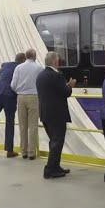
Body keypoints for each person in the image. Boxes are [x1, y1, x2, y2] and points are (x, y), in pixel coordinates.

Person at [36, 51, 76, 179]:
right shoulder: (56, 76)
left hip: (45, 113)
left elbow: (52, 92)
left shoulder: (41, 75)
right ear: (54, 61)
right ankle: (49, 170)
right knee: (57, 141)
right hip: (57, 114)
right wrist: (70, 86)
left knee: (53, 141)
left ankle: (55, 166)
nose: (59, 61)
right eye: (58, 59)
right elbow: (65, 93)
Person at [10, 48, 44, 160]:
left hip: (20, 97)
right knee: (33, 126)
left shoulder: (18, 67)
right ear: (34, 56)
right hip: (34, 97)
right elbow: (41, 82)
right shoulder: (39, 68)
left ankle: (23, 152)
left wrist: (20, 92)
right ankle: (31, 153)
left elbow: (13, 85)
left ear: (26, 56)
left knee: (22, 125)